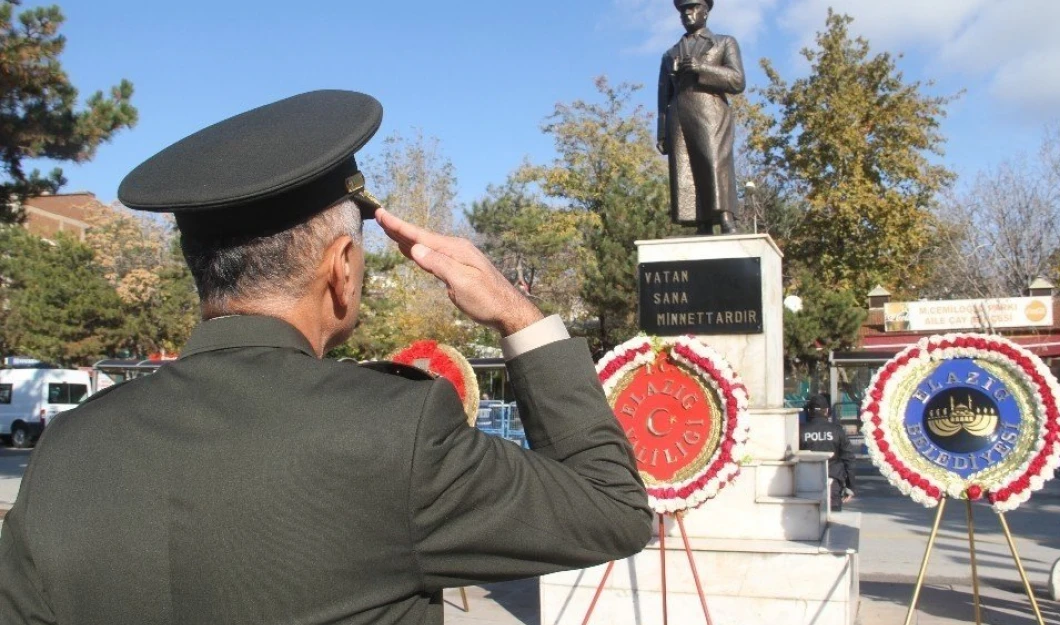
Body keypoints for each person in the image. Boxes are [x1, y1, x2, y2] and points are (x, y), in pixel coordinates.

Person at [0, 90, 652, 625]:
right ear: (340, 269)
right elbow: (611, 508)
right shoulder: (396, 434)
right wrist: (517, 311)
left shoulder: (69, 449)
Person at [657, 0, 745, 235]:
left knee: (714, 162)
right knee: (685, 168)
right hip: (679, 115)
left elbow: (737, 81)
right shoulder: (670, 54)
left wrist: (701, 69)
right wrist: (662, 131)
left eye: (694, 7)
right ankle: (701, 222)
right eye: (683, 9)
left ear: (706, 11)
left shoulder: (724, 42)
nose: (688, 13)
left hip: (710, 111)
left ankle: (726, 218)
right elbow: (662, 97)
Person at [800, 394, 855, 511]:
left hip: (806, 482)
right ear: (827, 411)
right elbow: (849, 458)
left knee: (808, 518)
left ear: (809, 411)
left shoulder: (800, 431)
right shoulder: (837, 430)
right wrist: (850, 486)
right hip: (833, 482)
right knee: (832, 521)